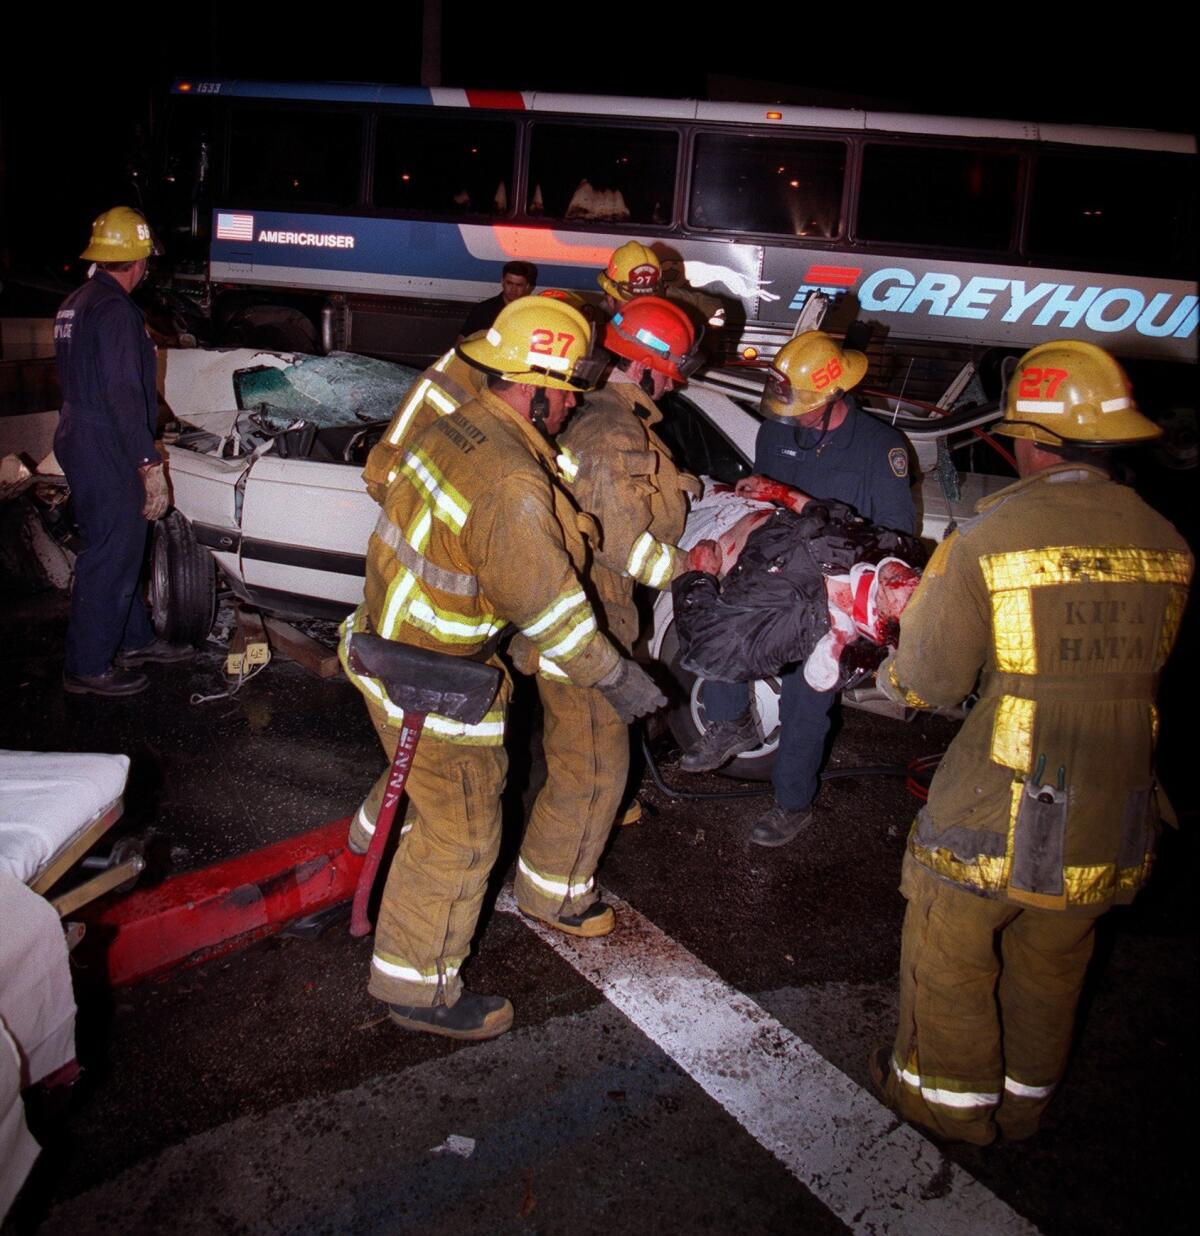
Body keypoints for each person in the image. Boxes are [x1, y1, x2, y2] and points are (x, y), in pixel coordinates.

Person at [871, 340, 1192, 1146]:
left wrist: (894, 665)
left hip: (1000, 807)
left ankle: (947, 1111)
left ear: (1032, 441)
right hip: (1113, 810)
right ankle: (1023, 1106)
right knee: (1054, 966)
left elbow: (933, 682)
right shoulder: (1168, 542)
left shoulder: (989, 538)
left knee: (949, 953)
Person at [339, 296, 665, 1041]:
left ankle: (362, 841)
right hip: (433, 674)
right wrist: (616, 679)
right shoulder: (511, 483)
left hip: (385, 640)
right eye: (565, 395)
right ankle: (417, 988)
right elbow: (550, 608)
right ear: (538, 385)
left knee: (421, 783)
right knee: (463, 832)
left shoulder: (457, 426)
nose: (569, 410)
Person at [683, 330, 915, 847]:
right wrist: (741, 504)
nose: (791, 414)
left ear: (834, 394)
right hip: (774, 576)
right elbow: (766, 505)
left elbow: (896, 539)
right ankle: (730, 722)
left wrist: (792, 497)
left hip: (831, 594)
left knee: (806, 704)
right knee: (717, 627)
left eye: (802, 404)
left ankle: (792, 803)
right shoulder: (775, 431)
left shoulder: (881, 448)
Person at [539, 295, 702, 829]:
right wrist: (689, 567)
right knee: (591, 758)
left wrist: (682, 486)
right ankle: (559, 888)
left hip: (598, 604)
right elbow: (621, 546)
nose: (674, 384)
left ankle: (603, 805)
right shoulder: (614, 431)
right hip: (593, 611)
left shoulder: (610, 413)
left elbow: (614, 493)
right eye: (668, 373)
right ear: (640, 366)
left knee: (592, 746)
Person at [53, 206, 191, 697]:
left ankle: (132, 639)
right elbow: (122, 393)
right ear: (138, 261)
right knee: (111, 551)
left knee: (120, 543)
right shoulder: (114, 310)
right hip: (106, 439)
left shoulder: (77, 301)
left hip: (81, 432)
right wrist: (148, 461)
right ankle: (87, 665)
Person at [672, 486, 924, 691]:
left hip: (704, 538)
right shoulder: (885, 559)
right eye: (925, 582)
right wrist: (780, 492)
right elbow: (836, 518)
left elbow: (707, 653)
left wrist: (698, 574)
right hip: (746, 506)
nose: (917, 582)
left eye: (915, 597)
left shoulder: (794, 622)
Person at [457, 260, 537, 340]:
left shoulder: (533, 313)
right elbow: (461, 342)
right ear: (502, 281)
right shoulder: (482, 310)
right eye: (509, 283)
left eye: (519, 285)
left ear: (527, 286)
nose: (513, 289)